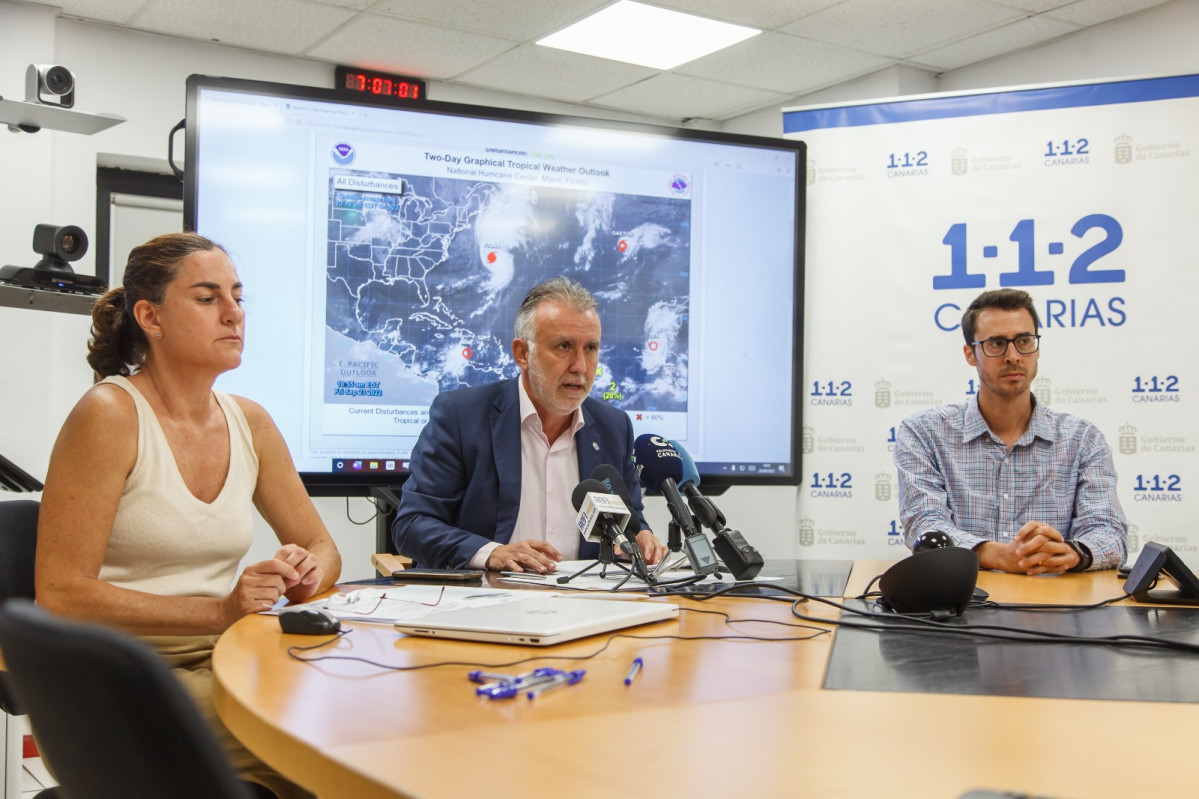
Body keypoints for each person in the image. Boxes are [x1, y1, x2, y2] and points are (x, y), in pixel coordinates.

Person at [36, 232, 341, 799]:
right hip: (115, 680)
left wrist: (303, 572)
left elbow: (324, 548)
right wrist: (219, 610)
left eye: (238, 296)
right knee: (326, 742)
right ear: (150, 316)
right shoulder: (108, 415)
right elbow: (59, 594)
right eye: (207, 298)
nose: (234, 314)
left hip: (221, 659)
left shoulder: (250, 422)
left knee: (342, 716)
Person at [393, 277, 667, 573]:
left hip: (584, 603)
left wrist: (641, 540)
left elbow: (630, 521)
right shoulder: (461, 416)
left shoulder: (614, 428)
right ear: (523, 353)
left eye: (591, 348)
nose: (581, 366)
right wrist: (491, 553)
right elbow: (412, 525)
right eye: (564, 346)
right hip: (484, 603)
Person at [894, 288, 1127, 575]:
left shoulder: (1083, 439)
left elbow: (1109, 531)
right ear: (970, 354)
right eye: (996, 344)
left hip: (1056, 605)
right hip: (962, 604)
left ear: (1037, 348)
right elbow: (924, 524)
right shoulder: (924, 433)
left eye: (1024, 341)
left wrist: (1072, 553)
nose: (1013, 356)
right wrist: (993, 554)